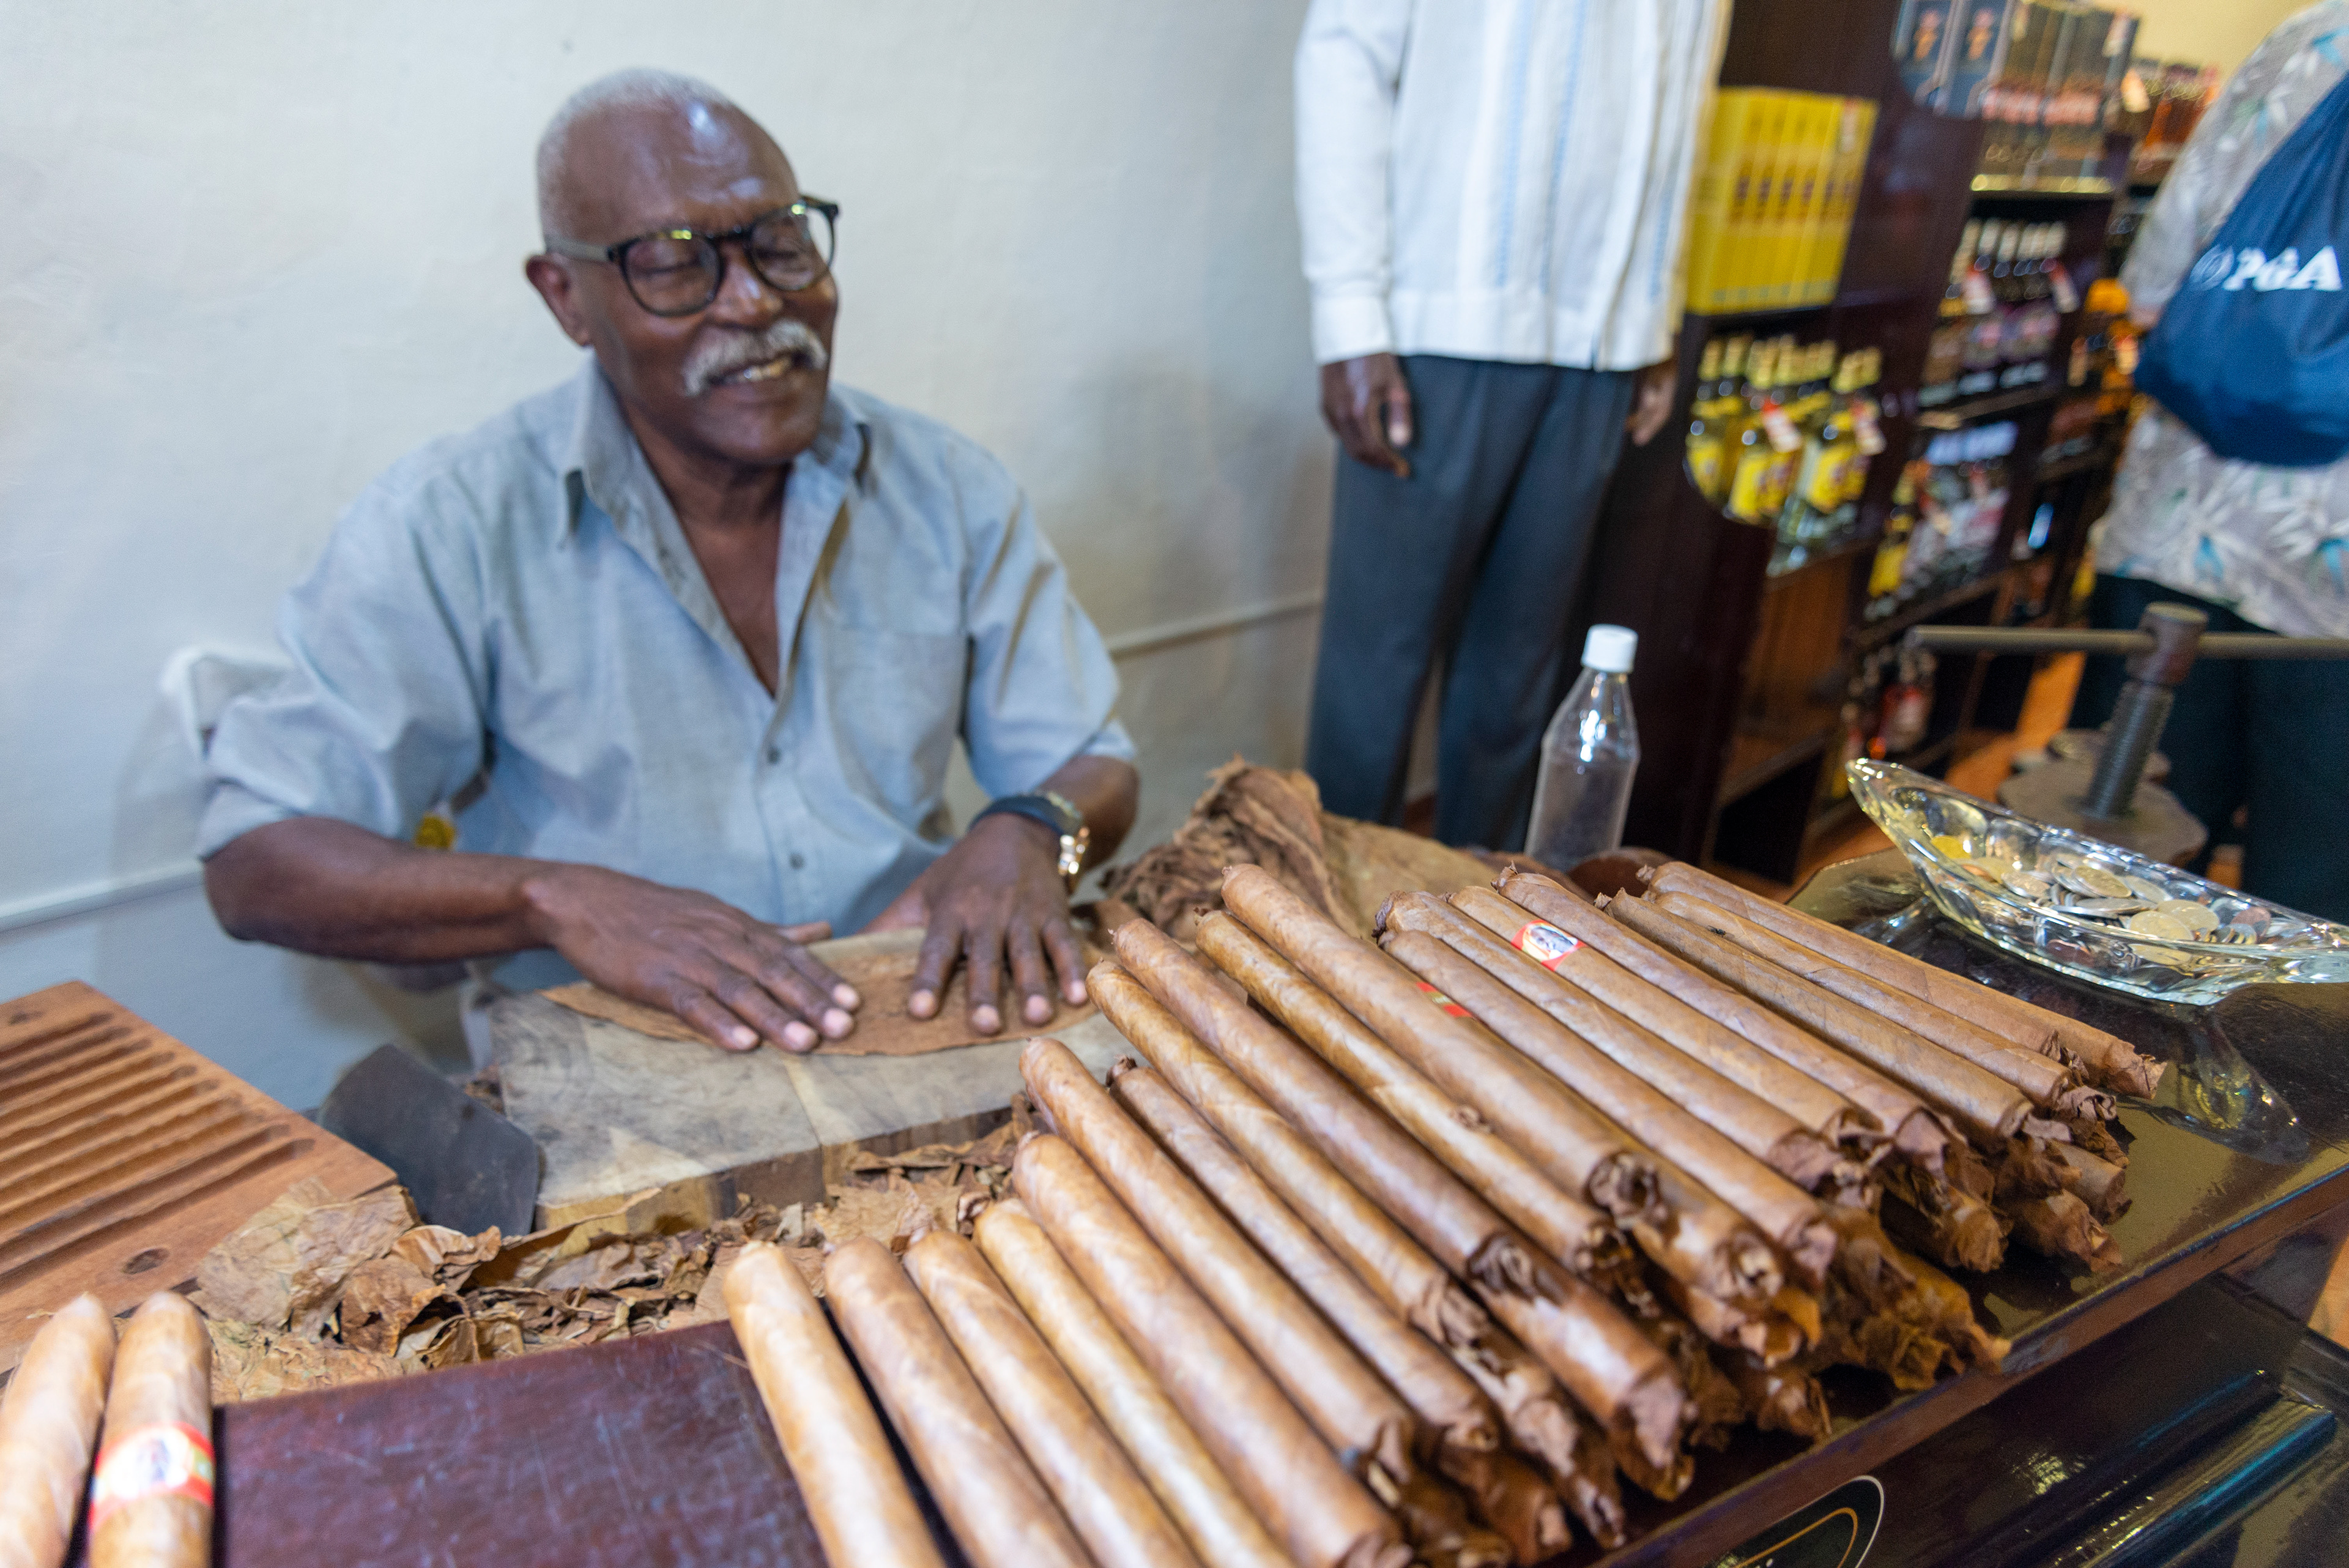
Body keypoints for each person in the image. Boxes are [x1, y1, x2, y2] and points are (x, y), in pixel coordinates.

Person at [199, 70, 1139, 1051]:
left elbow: (1095, 758)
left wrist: (1031, 826)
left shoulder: (944, 487)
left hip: (910, 1024)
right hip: (613, 1086)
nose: (754, 302)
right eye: (674, 264)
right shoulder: (450, 526)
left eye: (780, 242)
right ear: (566, 297)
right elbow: (256, 859)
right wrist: (554, 900)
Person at [1293, 0, 1729, 849]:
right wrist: (1350, 313)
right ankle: (1324, 945)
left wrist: (1655, 308)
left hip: (1603, 339)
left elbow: (1684, 100)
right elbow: (1346, 57)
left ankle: (1468, 931)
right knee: (1373, 684)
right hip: (1439, 324)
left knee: (1517, 689)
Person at [2071, 2, 2349, 921]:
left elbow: (2154, 290)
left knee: (2117, 863)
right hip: (2334, 599)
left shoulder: (2307, 40)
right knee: (2307, 907)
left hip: (2179, 530)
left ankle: (2076, 1061)